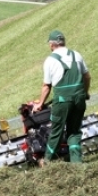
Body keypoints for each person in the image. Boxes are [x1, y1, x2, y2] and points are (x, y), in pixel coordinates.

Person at [32, 30, 91, 165]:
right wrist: (85, 92)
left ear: (51, 45)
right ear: (64, 42)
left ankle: (47, 162)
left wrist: (40, 103)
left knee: (56, 132)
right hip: (79, 98)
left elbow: (47, 86)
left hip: (63, 102)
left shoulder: (50, 60)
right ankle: (76, 163)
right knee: (74, 131)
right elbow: (87, 76)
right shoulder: (76, 55)